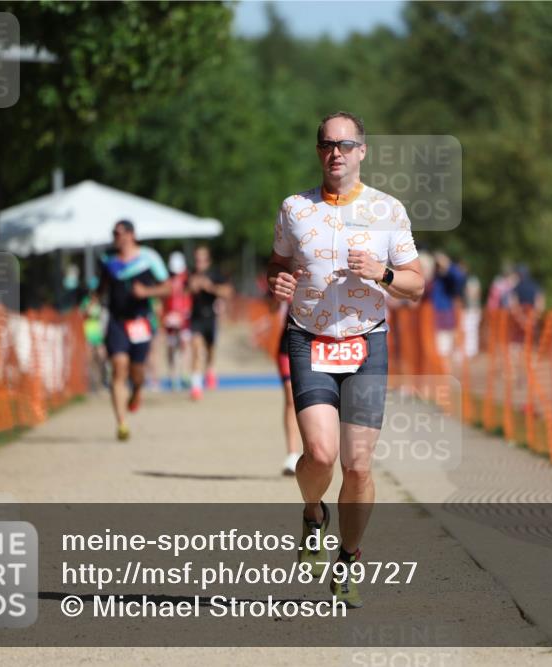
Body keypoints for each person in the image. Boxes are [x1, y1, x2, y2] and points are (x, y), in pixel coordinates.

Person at [266, 111, 424, 607]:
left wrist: (384, 273)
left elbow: (416, 286)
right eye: (327, 144)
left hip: (366, 342)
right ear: (319, 152)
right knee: (319, 454)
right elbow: (277, 262)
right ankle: (313, 511)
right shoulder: (294, 208)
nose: (336, 152)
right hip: (310, 338)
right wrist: (276, 280)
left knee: (357, 465)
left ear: (362, 151)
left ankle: (350, 556)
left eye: (345, 144)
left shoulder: (389, 211)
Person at [96, 220, 172, 440]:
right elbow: (101, 288)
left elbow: (168, 287)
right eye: (114, 233)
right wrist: (91, 301)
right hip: (116, 322)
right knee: (119, 367)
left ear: (132, 235)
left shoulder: (149, 258)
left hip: (140, 322)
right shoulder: (108, 261)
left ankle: (137, 391)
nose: (117, 237)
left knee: (137, 372)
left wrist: (147, 292)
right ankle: (121, 424)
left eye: (120, 233)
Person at [187, 246, 233, 400]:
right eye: (197, 259)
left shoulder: (215, 275)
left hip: (210, 317)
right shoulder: (191, 274)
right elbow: (183, 291)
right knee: (196, 349)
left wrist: (210, 287)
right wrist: (191, 287)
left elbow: (227, 292)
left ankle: (210, 370)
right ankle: (196, 386)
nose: (199, 262)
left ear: (208, 260)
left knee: (210, 350)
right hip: (196, 318)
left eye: (202, 259)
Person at [274, 301, 302, 475]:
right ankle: (292, 454)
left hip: (322, 346)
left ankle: (316, 452)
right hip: (288, 344)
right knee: (291, 399)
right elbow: (271, 305)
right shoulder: (289, 276)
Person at [162, 251, 193, 391]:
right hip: (169, 317)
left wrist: (186, 312)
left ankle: (185, 374)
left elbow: (189, 296)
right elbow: (163, 299)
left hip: (184, 317)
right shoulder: (166, 279)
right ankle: (173, 376)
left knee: (185, 345)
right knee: (171, 347)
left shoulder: (187, 278)